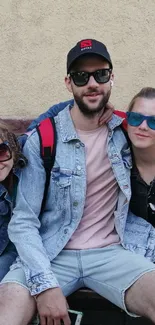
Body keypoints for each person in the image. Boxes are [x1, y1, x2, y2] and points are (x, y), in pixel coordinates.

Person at [1, 38, 155, 325]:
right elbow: (23, 221)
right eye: (81, 76)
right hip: (50, 251)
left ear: (112, 78)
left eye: (101, 74)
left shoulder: (126, 128)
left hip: (113, 253)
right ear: (68, 83)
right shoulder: (44, 139)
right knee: (7, 313)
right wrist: (45, 285)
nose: (92, 83)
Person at [124, 87, 155, 258]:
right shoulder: (116, 165)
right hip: (132, 258)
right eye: (136, 118)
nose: (142, 126)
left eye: (153, 122)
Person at [0, 121, 27, 281]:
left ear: (13, 149)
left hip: (18, 248)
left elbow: (47, 118)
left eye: (1, 152)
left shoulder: (25, 161)